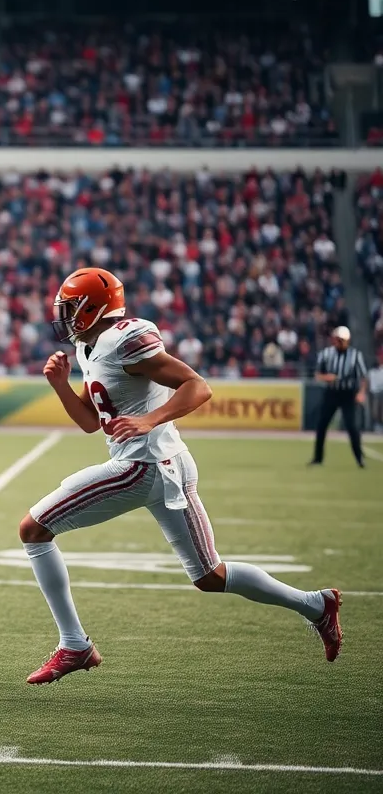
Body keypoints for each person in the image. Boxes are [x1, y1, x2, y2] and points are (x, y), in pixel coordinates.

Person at [20, 267, 342, 685]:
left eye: (71, 308)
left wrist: (149, 420)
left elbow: (197, 386)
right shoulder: (91, 345)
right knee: (211, 576)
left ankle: (75, 645)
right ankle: (317, 606)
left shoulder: (124, 338)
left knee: (33, 530)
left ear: (94, 308)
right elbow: (88, 422)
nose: (64, 316)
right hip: (169, 465)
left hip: (141, 465)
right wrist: (61, 386)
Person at [310, 326, 368, 467]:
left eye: (340, 340)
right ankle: (318, 458)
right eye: (336, 339)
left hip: (348, 394)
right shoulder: (326, 354)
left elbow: (364, 377)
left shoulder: (355, 355)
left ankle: (359, 458)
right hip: (332, 393)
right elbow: (317, 375)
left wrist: (361, 393)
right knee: (322, 424)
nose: (337, 342)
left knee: (352, 427)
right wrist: (327, 377)